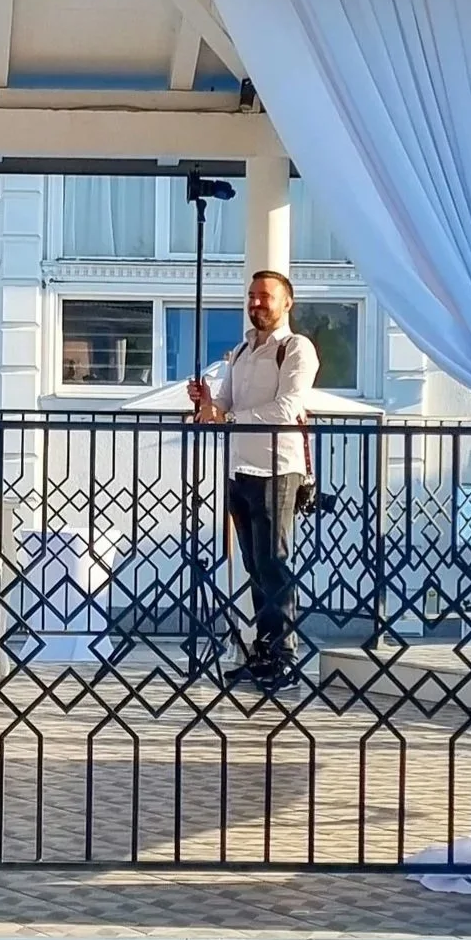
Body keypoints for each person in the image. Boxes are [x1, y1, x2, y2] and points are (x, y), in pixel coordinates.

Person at [187, 270, 318, 691]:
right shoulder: (243, 350)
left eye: (266, 297)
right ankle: (264, 650)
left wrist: (229, 417)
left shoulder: (296, 349)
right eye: (252, 296)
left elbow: (288, 407)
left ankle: (285, 655)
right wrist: (208, 403)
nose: (257, 303)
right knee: (254, 565)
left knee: (274, 564)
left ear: (287, 303)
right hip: (240, 469)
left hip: (278, 468)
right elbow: (226, 403)